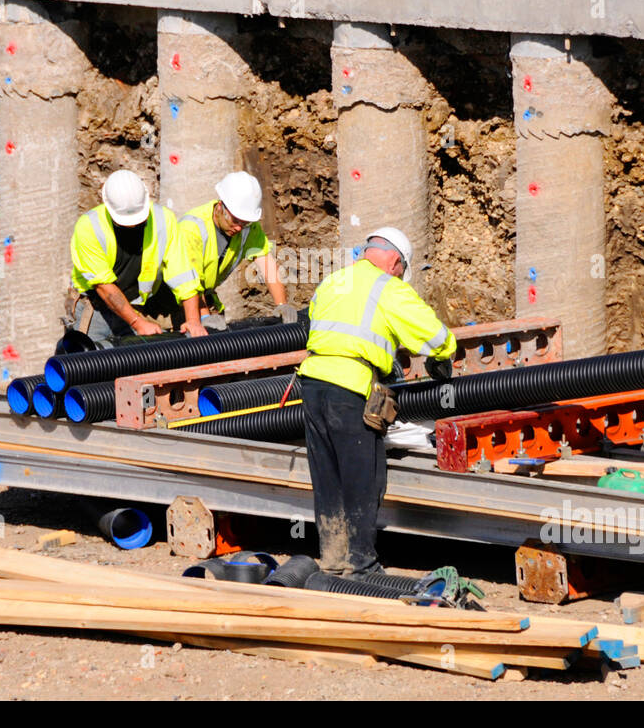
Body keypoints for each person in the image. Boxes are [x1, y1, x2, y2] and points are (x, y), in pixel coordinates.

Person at [296, 226, 456, 577]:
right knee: (363, 475)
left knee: (327, 475)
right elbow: (434, 335)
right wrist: (444, 353)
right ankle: (362, 564)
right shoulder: (388, 287)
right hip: (350, 388)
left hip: (311, 384)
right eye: (402, 271)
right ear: (395, 263)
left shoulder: (332, 281)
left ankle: (334, 559)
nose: (401, 277)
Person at [67, 169, 207, 348]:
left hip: (135, 306)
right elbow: (104, 287)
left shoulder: (164, 220)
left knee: (138, 364)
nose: (132, 225)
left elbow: (183, 274)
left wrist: (194, 321)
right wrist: (138, 323)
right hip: (96, 309)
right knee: (88, 364)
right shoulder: (89, 227)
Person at [178, 171, 294, 329]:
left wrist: (282, 304)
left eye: (244, 222)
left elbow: (266, 263)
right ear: (220, 207)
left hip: (203, 296)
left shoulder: (248, 227)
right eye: (235, 220)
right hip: (177, 300)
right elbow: (189, 280)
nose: (239, 227)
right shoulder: (192, 228)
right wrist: (204, 316)